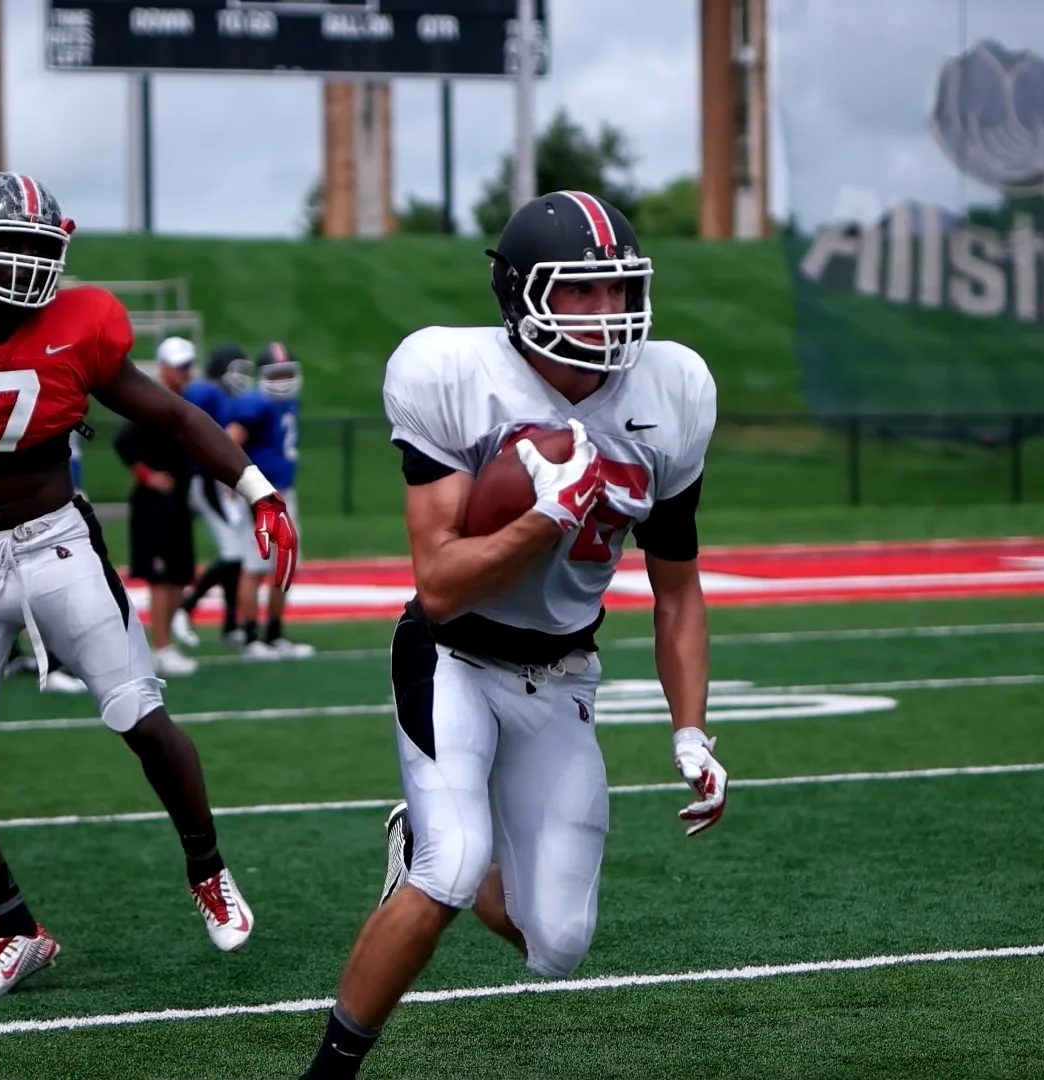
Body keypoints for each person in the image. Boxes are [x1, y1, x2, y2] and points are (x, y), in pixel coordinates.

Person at [299, 190, 725, 1079]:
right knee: (451, 871)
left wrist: (691, 732)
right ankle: (331, 1068)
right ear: (523, 295)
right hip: (452, 652)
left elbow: (677, 589)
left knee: (557, 943)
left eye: (619, 291)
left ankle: (426, 836)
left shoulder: (673, 390)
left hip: (564, 672)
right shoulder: (451, 373)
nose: (610, 314)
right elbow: (440, 584)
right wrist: (545, 517)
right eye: (582, 292)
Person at [0, 171, 299, 999]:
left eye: (38, 250)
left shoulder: (79, 327)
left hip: (58, 545)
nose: (26, 269)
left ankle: (208, 869)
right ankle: (18, 931)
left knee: (141, 713)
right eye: (9, 247)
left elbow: (170, 416)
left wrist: (257, 490)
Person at [113, 336, 202, 677]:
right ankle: (161, 645)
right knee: (161, 576)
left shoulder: (180, 403)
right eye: (178, 366)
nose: (184, 372)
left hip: (177, 500)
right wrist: (147, 475)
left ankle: (166, 644)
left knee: (178, 572)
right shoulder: (152, 403)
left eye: (186, 366)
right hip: (156, 504)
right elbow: (124, 443)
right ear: (164, 367)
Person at [228, 342, 312, 659]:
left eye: (286, 373)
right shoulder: (253, 404)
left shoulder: (289, 404)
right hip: (259, 493)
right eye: (275, 375)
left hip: (283, 493)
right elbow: (228, 443)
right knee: (255, 565)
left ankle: (274, 634)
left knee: (284, 564)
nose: (282, 381)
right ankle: (250, 638)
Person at [174, 343, 256, 647]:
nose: (242, 377)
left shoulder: (222, 396)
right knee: (232, 553)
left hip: (219, 481)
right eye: (237, 369)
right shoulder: (204, 393)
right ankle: (187, 606)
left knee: (235, 557)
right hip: (205, 480)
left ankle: (230, 623)